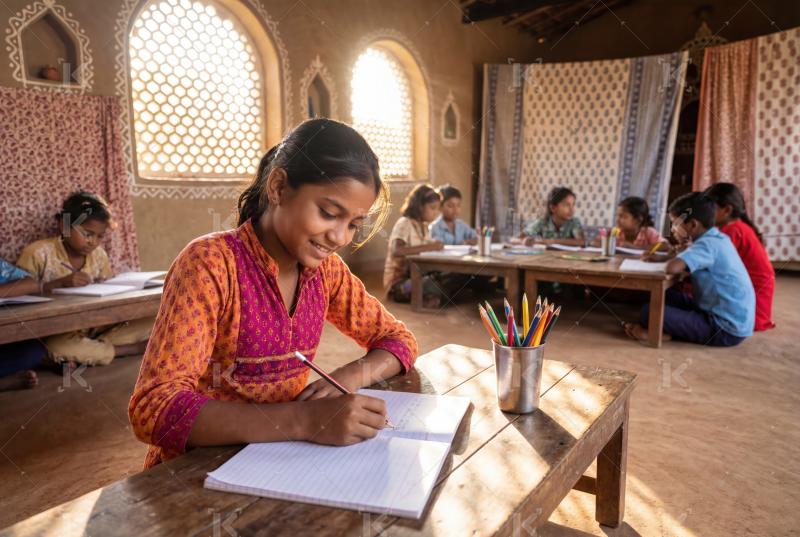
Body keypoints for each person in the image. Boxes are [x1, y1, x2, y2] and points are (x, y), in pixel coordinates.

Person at [128, 119, 418, 468]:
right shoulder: (211, 265)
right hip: (198, 469)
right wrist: (305, 420)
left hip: (280, 461)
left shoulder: (326, 272)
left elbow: (398, 340)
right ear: (279, 187)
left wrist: (351, 375)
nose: (340, 237)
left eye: (353, 224)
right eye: (328, 213)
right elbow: (155, 408)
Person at [16, 191, 153, 367]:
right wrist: (58, 283)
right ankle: (128, 349)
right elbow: (19, 297)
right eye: (87, 234)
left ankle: (84, 352)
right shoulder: (38, 253)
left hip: (98, 326)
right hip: (58, 331)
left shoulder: (99, 255)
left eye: (99, 236)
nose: (93, 242)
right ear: (63, 224)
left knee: (154, 321)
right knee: (55, 346)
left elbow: (106, 290)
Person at [624, 192, 754, 346]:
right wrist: (665, 257)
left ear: (692, 225)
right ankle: (671, 329)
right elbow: (684, 260)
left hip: (723, 328)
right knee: (663, 295)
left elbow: (672, 268)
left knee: (649, 312)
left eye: (675, 224)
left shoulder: (705, 245)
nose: (672, 230)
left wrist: (674, 257)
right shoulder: (717, 238)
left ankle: (662, 334)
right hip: (718, 312)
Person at [705, 182, 775, 331]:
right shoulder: (736, 227)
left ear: (727, 210)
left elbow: (711, 264)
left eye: (710, 208)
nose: (705, 213)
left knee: (693, 287)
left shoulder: (733, 230)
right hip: (750, 291)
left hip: (752, 302)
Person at [383, 184, 445, 306]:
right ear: (420, 206)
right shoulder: (404, 223)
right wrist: (430, 247)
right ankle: (426, 295)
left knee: (446, 279)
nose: (436, 213)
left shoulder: (424, 227)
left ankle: (430, 296)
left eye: (437, 209)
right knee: (431, 284)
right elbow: (397, 251)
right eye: (432, 208)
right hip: (399, 283)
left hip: (417, 275)